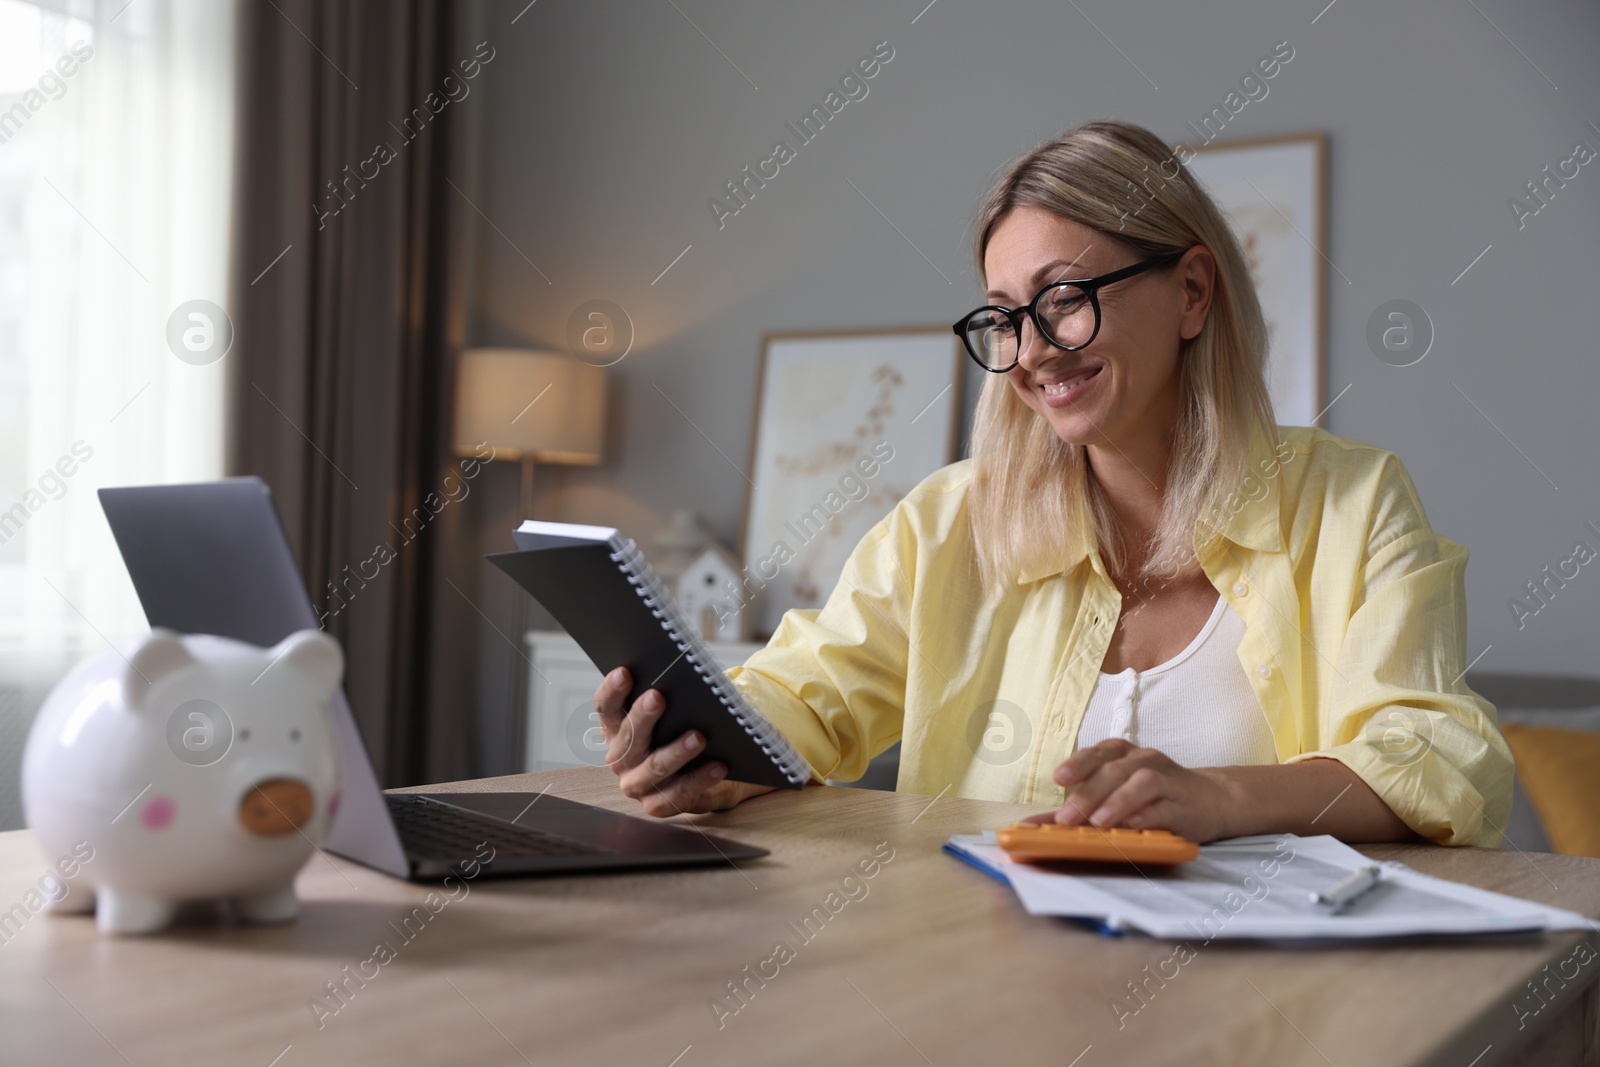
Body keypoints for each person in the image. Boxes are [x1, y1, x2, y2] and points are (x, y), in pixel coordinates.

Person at [591, 120, 1514, 845]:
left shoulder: (1353, 507)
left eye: (1064, 300)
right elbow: (807, 696)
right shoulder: (948, 524)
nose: (1030, 352)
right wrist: (696, 746)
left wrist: (1223, 797)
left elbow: (1438, 758)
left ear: (1193, 292)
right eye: (1003, 317)